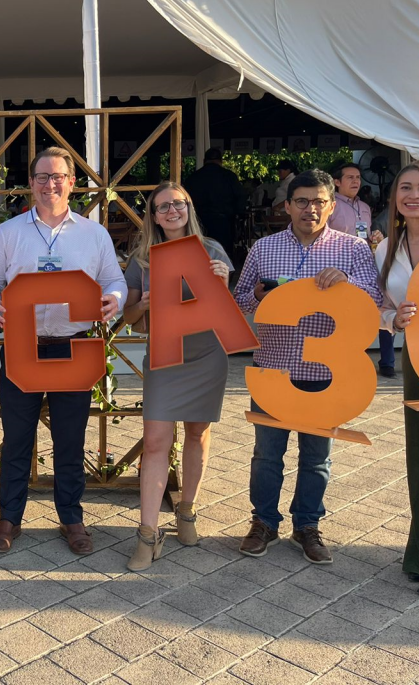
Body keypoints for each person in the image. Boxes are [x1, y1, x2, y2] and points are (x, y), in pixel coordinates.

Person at [0, 147, 127, 555]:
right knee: (17, 436)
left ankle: (71, 518)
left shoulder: (92, 233)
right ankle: (9, 518)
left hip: (74, 348)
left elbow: (114, 278)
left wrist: (115, 297)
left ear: (72, 183)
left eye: (58, 176)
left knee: (70, 438)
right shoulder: (10, 232)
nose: (50, 184)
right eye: (42, 177)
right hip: (23, 347)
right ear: (31, 183)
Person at [234, 169, 382, 564]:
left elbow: (374, 297)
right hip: (274, 368)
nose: (310, 209)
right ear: (287, 206)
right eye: (302, 201)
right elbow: (240, 300)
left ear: (332, 206)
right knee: (267, 454)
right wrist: (258, 294)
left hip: (329, 374)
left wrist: (346, 281)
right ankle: (263, 522)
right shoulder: (263, 249)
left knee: (317, 457)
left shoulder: (352, 250)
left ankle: (307, 525)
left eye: (318, 201)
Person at [120, 183, 233, 571]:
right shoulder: (142, 258)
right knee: (155, 441)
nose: (172, 211)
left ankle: (186, 511)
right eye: (163, 206)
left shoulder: (213, 250)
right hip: (166, 355)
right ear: (153, 215)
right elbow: (129, 319)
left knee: (198, 432)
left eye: (179, 204)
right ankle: (147, 533)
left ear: (189, 207)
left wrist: (222, 283)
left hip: (206, 354)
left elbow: (229, 313)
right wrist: (143, 304)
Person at [376, 161, 419, 597]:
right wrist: (394, 320)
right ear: (395, 197)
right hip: (417, 361)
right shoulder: (386, 249)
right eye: (405, 188)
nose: (414, 195)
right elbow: (378, 307)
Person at [327, 162, 394, 377]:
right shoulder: (330, 206)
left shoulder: (365, 207)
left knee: (381, 306)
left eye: (358, 177)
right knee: (346, 317)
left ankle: (387, 362)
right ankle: (346, 360)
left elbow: (365, 234)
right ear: (337, 182)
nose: (356, 181)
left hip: (366, 266)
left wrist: (376, 238)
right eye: (350, 178)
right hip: (340, 268)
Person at [185, 148, 246, 261]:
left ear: (204, 160)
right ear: (220, 161)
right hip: (223, 222)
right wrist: (238, 214)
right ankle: (222, 277)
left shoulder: (193, 178)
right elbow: (241, 196)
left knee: (199, 253)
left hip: (198, 221)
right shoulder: (229, 176)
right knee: (223, 254)